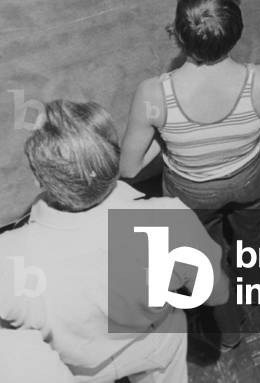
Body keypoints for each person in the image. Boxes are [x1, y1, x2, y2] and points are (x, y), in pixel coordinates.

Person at [120, 0, 260, 342]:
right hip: (250, 178)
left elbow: (129, 168)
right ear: (236, 31)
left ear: (177, 32)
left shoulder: (153, 92)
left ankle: (217, 291)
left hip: (191, 191)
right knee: (248, 232)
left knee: (201, 243)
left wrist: (167, 135)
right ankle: (246, 268)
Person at [0, 99, 229, 381]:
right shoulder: (170, 219)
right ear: (112, 161)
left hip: (78, 367)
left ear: (38, 181)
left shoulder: (8, 257)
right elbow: (214, 292)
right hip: (156, 340)